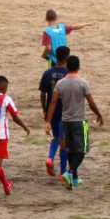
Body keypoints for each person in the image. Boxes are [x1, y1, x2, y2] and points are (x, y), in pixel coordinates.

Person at [49, 55, 104, 190]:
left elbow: (53, 102)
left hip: (65, 121)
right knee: (82, 150)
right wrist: (99, 114)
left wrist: (48, 120)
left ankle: (73, 179)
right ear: (79, 67)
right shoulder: (82, 83)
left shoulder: (60, 83)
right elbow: (91, 102)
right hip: (80, 120)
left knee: (71, 149)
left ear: (67, 66)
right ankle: (71, 172)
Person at [39, 45, 70, 179]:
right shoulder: (68, 73)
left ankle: (50, 158)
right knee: (64, 142)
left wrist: (45, 110)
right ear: (67, 57)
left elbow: (42, 94)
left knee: (56, 137)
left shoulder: (47, 73)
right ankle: (63, 172)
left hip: (52, 110)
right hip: (65, 110)